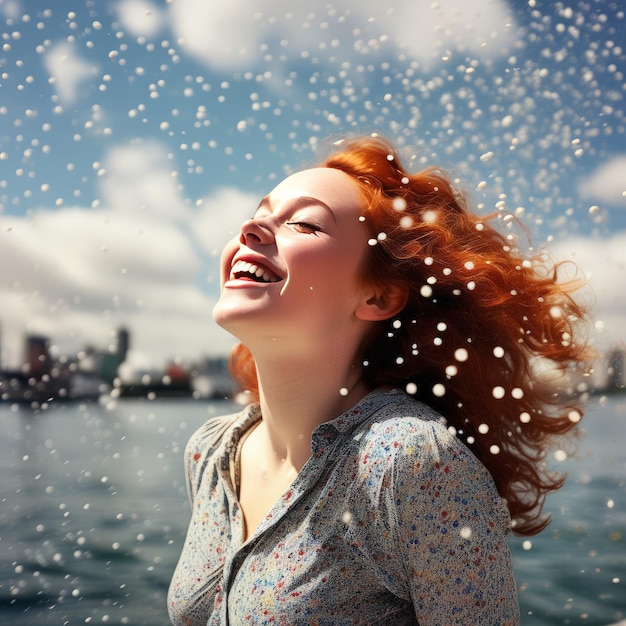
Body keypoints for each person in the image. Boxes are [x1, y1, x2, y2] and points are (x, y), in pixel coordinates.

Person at [168, 135, 592, 625]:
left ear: (378, 297)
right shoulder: (210, 450)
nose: (251, 227)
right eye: (260, 211)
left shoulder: (411, 462)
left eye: (304, 223)